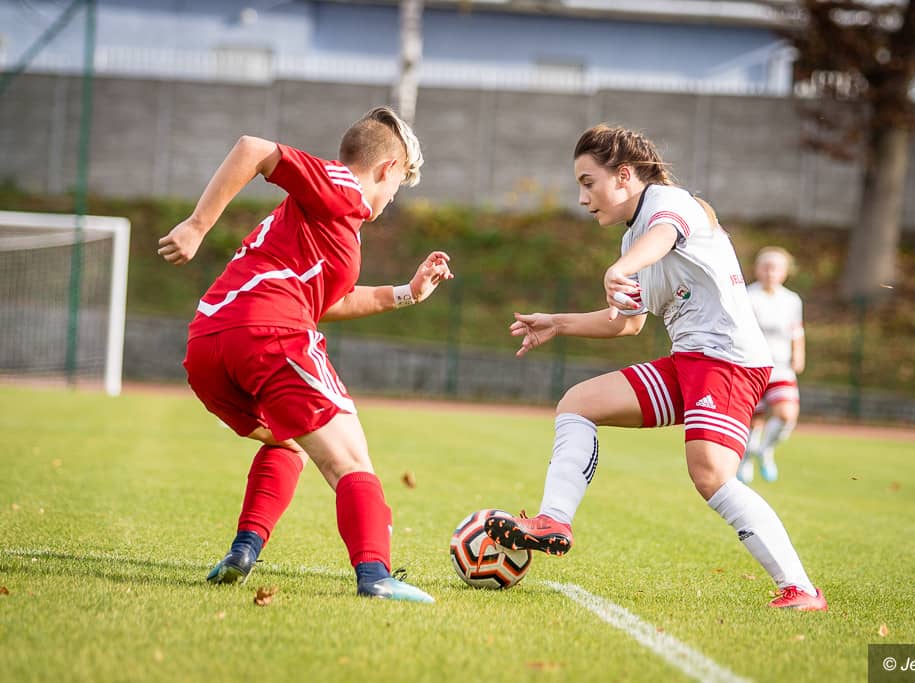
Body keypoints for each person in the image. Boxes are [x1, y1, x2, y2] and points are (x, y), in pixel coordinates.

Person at [484, 124, 826, 610]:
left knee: (710, 474)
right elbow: (627, 324)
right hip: (690, 361)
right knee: (578, 404)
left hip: (728, 360)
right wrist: (557, 323)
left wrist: (619, 270)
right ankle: (554, 520)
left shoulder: (671, 203)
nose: (582, 198)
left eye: (588, 182)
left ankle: (801, 588)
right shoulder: (631, 244)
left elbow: (664, 235)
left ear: (624, 176)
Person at [157, 106, 452, 603]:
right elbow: (254, 149)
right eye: (398, 186)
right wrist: (197, 225)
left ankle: (243, 552)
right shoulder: (343, 186)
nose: (392, 198)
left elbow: (329, 302)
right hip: (268, 333)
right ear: (388, 169)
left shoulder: (328, 223)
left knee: (288, 442)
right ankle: (375, 575)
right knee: (351, 460)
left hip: (209, 344)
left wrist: (408, 293)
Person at [738, 247, 804, 484]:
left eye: (776, 268)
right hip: (752, 367)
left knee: (787, 415)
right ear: (757, 269)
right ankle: (746, 458)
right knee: (754, 420)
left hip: (781, 367)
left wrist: (799, 355)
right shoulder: (747, 296)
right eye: (766, 267)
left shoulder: (792, 299)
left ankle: (765, 450)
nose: (770, 272)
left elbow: (797, 331)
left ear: (785, 272)